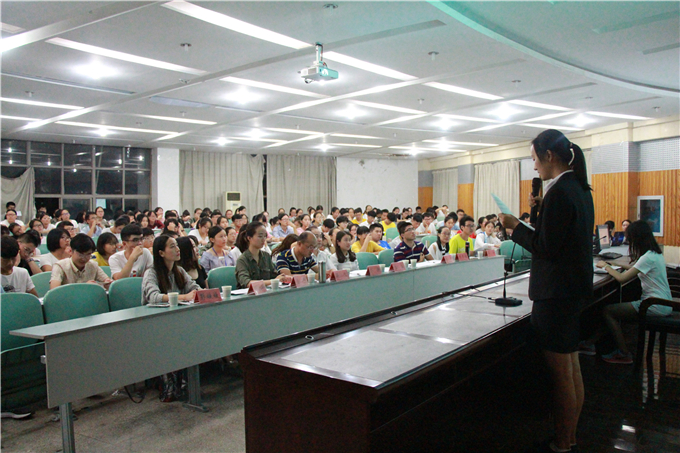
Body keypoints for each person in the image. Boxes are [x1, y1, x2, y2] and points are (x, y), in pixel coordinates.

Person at [499, 129, 593, 453]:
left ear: (549, 156)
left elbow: (545, 247)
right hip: (571, 291)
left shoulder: (560, 192)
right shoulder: (578, 188)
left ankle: (562, 443)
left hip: (555, 294)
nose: (534, 166)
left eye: (535, 159)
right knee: (571, 367)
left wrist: (515, 227)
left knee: (561, 375)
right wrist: (539, 210)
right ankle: (571, 437)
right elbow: (557, 237)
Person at [581, 220, 673, 364]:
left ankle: (624, 353)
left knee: (608, 311)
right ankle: (589, 343)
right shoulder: (654, 254)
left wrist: (605, 266)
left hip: (653, 304)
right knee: (614, 310)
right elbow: (636, 268)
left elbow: (622, 278)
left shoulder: (647, 258)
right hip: (664, 303)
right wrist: (615, 263)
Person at [142, 235, 200, 305]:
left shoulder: (180, 270)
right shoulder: (151, 273)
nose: (178, 249)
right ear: (161, 253)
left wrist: (201, 291)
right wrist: (184, 297)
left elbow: (193, 287)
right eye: (172, 246)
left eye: (177, 245)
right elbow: (153, 297)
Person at [235, 222, 289, 289]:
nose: (263, 239)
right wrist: (273, 281)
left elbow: (274, 275)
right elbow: (248, 283)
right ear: (249, 238)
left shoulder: (266, 256)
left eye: (265, 236)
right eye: (260, 236)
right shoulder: (242, 260)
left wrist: (282, 277)